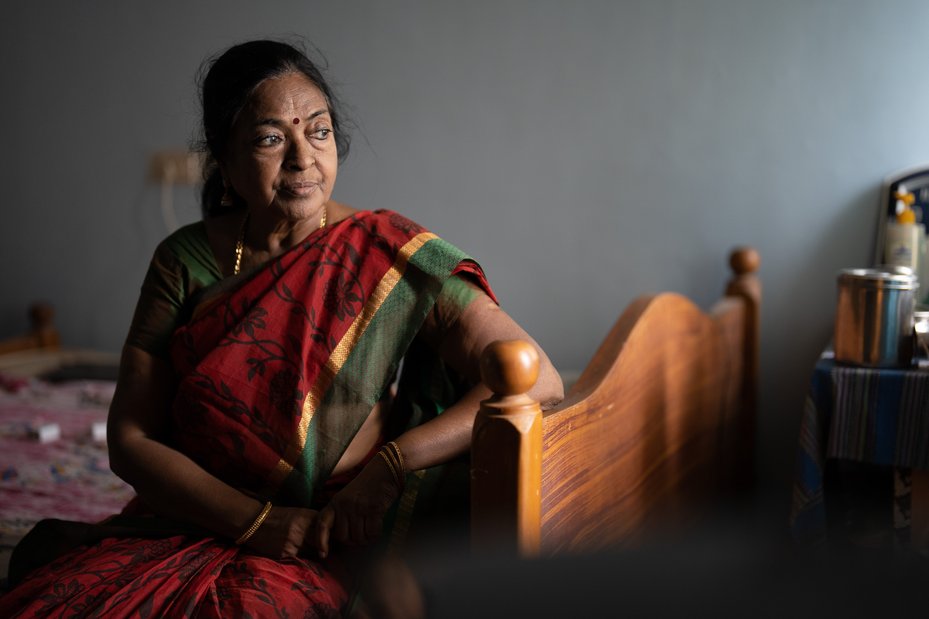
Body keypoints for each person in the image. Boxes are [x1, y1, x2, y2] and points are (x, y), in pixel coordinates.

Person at [0, 39, 563, 617]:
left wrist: (392, 463)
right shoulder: (184, 261)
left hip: (329, 534)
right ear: (224, 157)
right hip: (193, 517)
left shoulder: (384, 250)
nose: (302, 158)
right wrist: (254, 522)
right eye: (272, 139)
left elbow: (536, 377)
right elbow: (132, 439)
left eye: (317, 132)